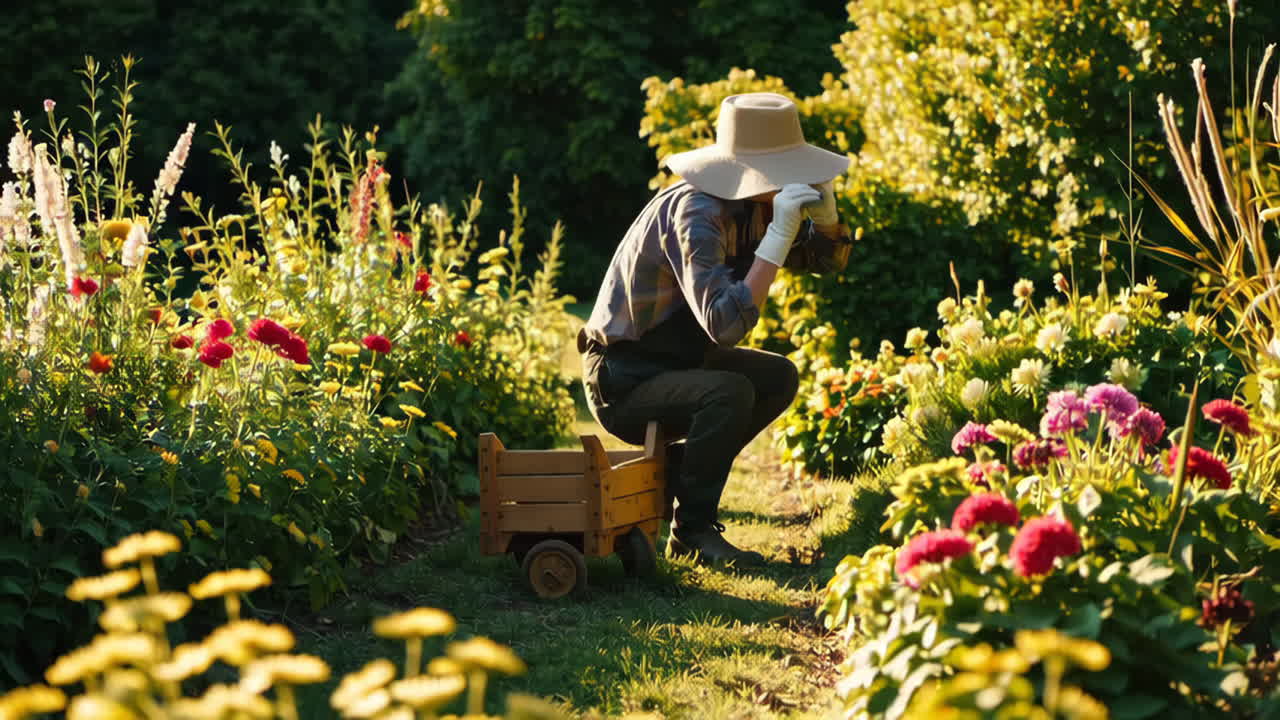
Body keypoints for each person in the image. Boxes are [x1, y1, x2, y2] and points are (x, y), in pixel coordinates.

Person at [578, 92, 853, 566]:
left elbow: (823, 261)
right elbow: (724, 324)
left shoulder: (755, 206)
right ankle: (693, 531)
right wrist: (780, 236)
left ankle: (683, 474)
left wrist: (827, 222)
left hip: (677, 359)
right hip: (623, 376)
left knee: (777, 376)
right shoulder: (697, 215)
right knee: (728, 392)